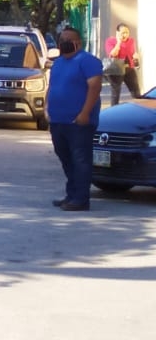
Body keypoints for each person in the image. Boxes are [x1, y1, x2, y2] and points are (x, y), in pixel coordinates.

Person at [46, 26, 103, 212]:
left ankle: (81, 199)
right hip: (58, 121)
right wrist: (47, 109)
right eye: (62, 40)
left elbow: (94, 87)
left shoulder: (88, 61)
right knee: (66, 158)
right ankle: (71, 195)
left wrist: (85, 113)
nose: (64, 44)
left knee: (80, 160)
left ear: (78, 42)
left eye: (68, 40)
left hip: (78, 122)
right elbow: (52, 87)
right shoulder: (58, 63)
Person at [103, 23, 141, 106]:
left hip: (129, 69)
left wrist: (135, 56)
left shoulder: (131, 41)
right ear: (117, 32)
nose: (125, 35)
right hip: (116, 70)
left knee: (136, 92)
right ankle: (114, 113)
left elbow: (132, 53)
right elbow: (113, 54)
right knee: (115, 94)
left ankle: (141, 109)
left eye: (127, 32)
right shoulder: (110, 41)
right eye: (123, 33)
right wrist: (118, 42)